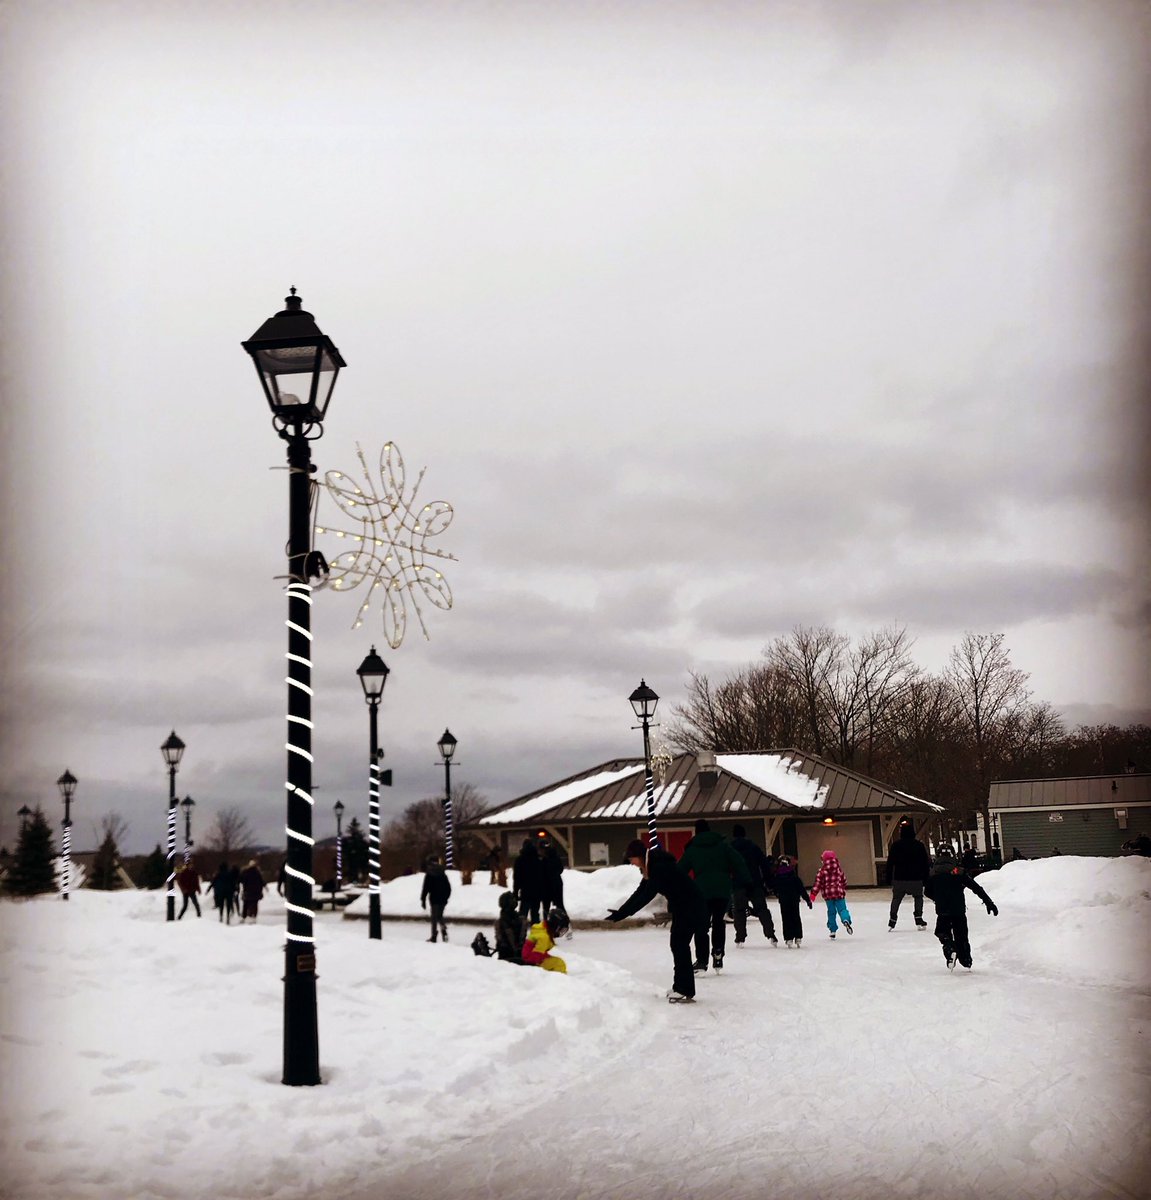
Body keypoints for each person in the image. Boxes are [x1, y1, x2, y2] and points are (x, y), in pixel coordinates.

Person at [608, 839, 708, 1004]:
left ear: (639, 856)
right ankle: (681, 987)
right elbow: (640, 891)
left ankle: (684, 989)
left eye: (631, 859)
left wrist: (623, 914)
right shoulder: (652, 866)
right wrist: (621, 912)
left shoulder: (659, 868)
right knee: (678, 945)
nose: (631, 863)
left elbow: (647, 896)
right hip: (685, 907)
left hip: (690, 907)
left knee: (679, 945)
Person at [678, 818, 751, 972]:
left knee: (702, 926)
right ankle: (718, 952)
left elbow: (680, 871)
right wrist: (746, 881)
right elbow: (739, 862)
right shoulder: (723, 846)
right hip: (723, 891)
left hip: (702, 893)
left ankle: (702, 961)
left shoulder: (692, 849)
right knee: (718, 921)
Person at [924, 845, 998, 970]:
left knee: (942, 932)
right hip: (958, 909)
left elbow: (927, 892)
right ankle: (966, 960)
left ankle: (949, 948)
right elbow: (975, 887)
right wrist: (988, 902)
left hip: (943, 910)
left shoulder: (933, 873)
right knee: (961, 935)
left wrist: (937, 898)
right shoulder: (959, 871)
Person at [728, 824, 779, 946]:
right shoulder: (753, 847)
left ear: (734, 835)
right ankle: (771, 934)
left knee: (739, 911)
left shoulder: (730, 848)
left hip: (738, 884)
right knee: (762, 909)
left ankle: (740, 937)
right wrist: (769, 882)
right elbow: (764, 865)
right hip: (754, 883)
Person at [887, 820, 931, 931]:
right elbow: (925, 863)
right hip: (915, 878)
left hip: (899, 878)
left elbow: (890, 863)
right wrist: (926, 878)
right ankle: (918, 917)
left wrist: (889, 878)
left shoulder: (896, 846)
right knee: (918, 897)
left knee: (896, 898)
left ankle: (892, 919)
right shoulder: (919, 846)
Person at [810, 849, 852, 938]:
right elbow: (844, 880)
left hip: (828, 895)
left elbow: (818, 883)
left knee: (831, 912)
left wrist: (813, 894)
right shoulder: (838, 869)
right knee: (842, 909)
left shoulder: (822, 871)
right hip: (839, 893)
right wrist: (842, 887)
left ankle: (832, 930)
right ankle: (845, 919)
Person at [772, 855, 813, 947]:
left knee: (786, 918)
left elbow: (775, 887)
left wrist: (777, 894)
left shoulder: (778, 876)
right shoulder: (794, 876)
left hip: (784, 900)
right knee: (796, 917)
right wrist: (808, 900)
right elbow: (801, 888)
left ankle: (789, 937)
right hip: (794, 900)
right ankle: (798, 936)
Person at [512, 838, 544, 926]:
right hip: (537, 891)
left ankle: (520, 934)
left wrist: (515, 892)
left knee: (523, 914)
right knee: (535, 914)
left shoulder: (520, 860)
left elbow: (517, 878)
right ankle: (536, 933)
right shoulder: (538, 859)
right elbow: (542, 876)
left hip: (525, 891)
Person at [420, 854, 452, 943]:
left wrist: (423, 899)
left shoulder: (429, 874)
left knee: (434, 918)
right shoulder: (443, 873)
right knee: (440, 916)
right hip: (443, 899)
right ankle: (443, 928)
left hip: (434, 898)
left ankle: (434, 935)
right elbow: (448, 887)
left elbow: (425, 888)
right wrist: (446, 897)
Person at [540, 842, 567, 927]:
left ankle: (546, 925)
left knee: (546, 907)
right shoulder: (556, 857)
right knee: (560, 905)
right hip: (557, 884)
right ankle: (566, 924)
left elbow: (542, 873)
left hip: (546, 886)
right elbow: (561, 869)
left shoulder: (544, 860)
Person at [494, 890, 525, 963]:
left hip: (514, 954)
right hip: (508, 956)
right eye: (512, 899)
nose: (515, 901)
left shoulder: (517, 918)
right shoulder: (503, 921)